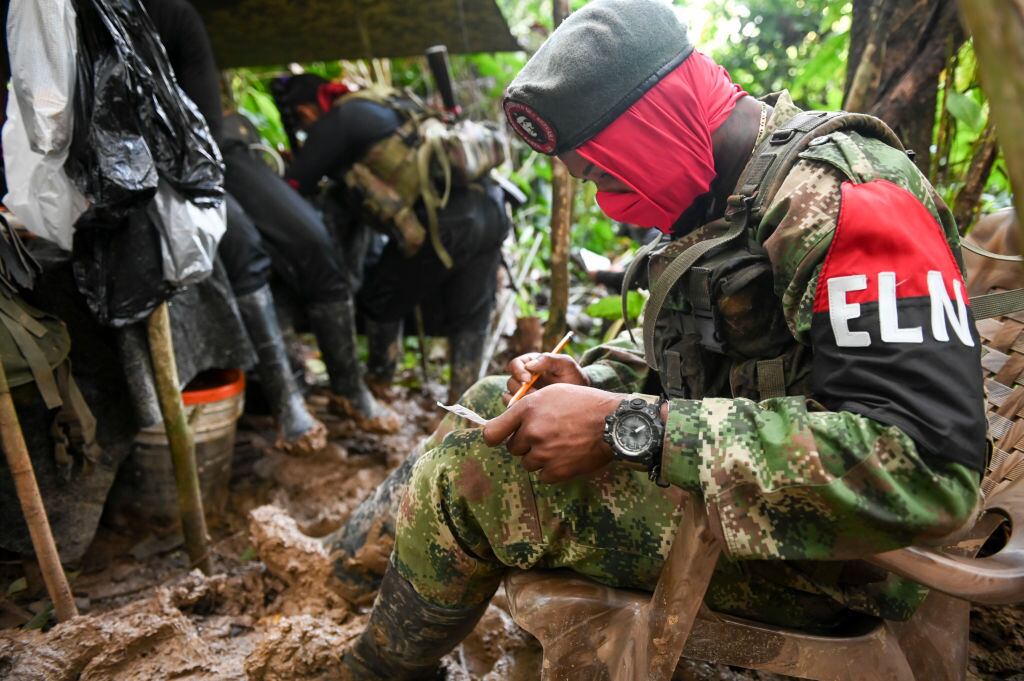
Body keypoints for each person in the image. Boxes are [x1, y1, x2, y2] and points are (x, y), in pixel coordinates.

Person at [332, 1, 987, 679]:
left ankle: (368, 668)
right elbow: (718, 360)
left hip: (841, 559)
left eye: (607, 177)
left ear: (659, 123)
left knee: (474, 473)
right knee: (496, 403)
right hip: (751, 508)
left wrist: (628, 426)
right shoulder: (725, 187)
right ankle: (351, 564)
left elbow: (929, 470)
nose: (605, 204)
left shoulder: (844, 195)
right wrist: (592, 385)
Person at [141, 0, 398, 445]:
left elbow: (205, 115)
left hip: (209, 150)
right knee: (241, 244)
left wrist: (203, 163)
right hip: (142, 167)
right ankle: (287, 403)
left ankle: (348, 388)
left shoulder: (173, 15)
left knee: (314, 239)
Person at [272, 74, 510, 405]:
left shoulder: (337, 120)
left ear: (306, 111)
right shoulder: (384, 102)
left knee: (380, 299)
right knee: (470, 314)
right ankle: (463, 406)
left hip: (446, 224)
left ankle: (379, 383)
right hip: (492, 208)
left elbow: (295, 186)